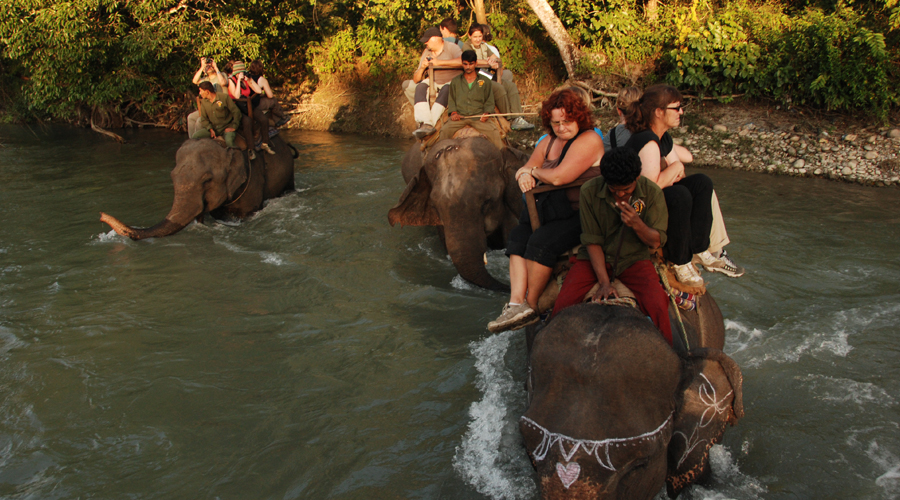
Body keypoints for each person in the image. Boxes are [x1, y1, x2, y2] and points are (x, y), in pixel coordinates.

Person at [487, 88, 604, 333]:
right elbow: (525, 167)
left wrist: (534, 173)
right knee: (518, 237)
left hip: (582, 214)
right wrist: (523, 176)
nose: (561, 128)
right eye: (556, 123)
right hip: (549, 210)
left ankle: (532, 303)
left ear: (579, 117)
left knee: (540, 242)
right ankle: (515, 303)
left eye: (567, 121)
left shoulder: (589, 139)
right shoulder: (548, 141)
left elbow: (560, 177)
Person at [606, 87, 743, 275]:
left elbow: (680, 172)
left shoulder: (662, 138)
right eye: (676, 108)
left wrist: (675, 170)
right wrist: (675, 169)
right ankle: (680, 261)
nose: (681, 112)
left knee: (702, 183)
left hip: (653, 196)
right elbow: (650, 188)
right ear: (659, 112)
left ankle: (700, 248)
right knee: (680, 194)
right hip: (637, 204)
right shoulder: (647, 140)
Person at [550, 148, 673, 344]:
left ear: (637, 177)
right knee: (563, 304)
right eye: (615, 190)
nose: (621, 194)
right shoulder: (589, 190)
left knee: (658, 305)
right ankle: (550, 348)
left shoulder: (652, 192)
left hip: (633, 259)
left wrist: (637, 224)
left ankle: (670, 357)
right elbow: (592, 240)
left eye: (627, 189)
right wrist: (605, 283)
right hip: (593, 259)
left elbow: (656, 241)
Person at [462, 24, 534, 131]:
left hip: (486, 75)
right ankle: (509, 117)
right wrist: (488, 62)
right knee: (498, 88)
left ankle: (518, 117)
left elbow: (495, 58)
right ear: (469, 36)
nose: (477, 39)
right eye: (475, 37)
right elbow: (471, 61)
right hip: (475, 77)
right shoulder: (466, 46)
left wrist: (493, 62)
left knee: (510, 86)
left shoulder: (483, 46)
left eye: (479, 36)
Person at [438, 50, 504, 149]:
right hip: (460, 117)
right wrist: (453, 113)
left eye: (471, 64)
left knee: (494, 133)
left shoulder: (485, 81)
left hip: (478, 118)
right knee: (443, 131)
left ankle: (502, 158)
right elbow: (451, 101)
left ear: (476, 63)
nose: (468, 67)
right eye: (465, 64)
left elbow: (489, 101)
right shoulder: (455, 81)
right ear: (462, 63)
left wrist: (486, 113)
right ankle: (438, 157)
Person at [411, 27, 463, 139]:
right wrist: (423, 68)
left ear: (436, 39)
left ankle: (430, 123)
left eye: (427, 40)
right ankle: (425, 122)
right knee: (420, 87)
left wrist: (439, 62)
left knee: (446, 89)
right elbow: (416, 79)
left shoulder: (452, 47)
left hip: (451, 81)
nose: (425, 43)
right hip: (433, 81)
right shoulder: (426, 52)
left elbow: (462, 61)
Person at [228, 61, 274, 154]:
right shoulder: (231, 80)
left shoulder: (246, 80)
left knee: (264, 119)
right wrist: (238, 82)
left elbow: (258, 91)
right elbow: (236, 95)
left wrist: (250, 80)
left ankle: (265, 143)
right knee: (247, 122)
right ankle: (250, 149)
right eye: (239, 73)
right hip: (237, 107)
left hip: (247, 105)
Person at [190, 81, 241, 148]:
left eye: (201, 91)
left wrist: (234, 127)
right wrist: (210, 129)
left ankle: (236, 155)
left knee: (229, 142)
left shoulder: (224, 97)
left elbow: (236, 112)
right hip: (213, 128)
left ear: (207, 92)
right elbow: (204, 119)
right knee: (195, 137)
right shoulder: (204, 102)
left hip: (226, 127)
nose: (200, 93)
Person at [188, 57, 228, 137]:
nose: (208, 67)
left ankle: (198, 141)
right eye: (207, 66)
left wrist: (215, 67)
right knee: (191, 117)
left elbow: (223, 83)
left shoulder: (221, 75)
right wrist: (202, 66)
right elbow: (194, 81)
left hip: (219, 107)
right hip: (207, 109)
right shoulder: (205, 79)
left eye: (210, 65)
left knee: (199, 121)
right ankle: (192, 141)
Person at [247, 59, 288, 128]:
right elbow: (270, 95)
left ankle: (279, 119)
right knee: (273, 100)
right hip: (255, 104)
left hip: (248, 102)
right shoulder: (261, 79)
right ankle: (281, 117)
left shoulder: (247, 77)